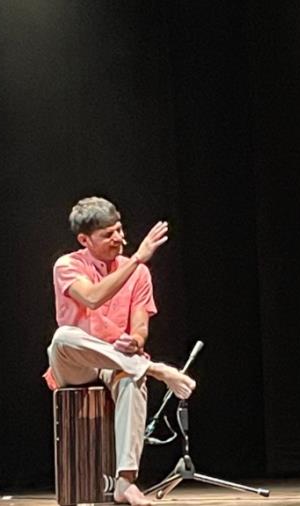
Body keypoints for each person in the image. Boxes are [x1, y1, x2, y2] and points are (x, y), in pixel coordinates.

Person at [43, 196, 196, 506]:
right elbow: (92, 297)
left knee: (132, 377)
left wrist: (135, 342)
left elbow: (140, 327)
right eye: (108, 234)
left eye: (119, 229)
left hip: (116, 360)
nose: (119, 238)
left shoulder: (138, 273)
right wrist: (138, 258)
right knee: (62, 337)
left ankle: (125, 482)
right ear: (84, 240)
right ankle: (154, 369)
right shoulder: (68, 265)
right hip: (77, 363)